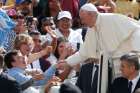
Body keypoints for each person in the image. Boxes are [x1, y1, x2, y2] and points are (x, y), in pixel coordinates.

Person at [58, 3, 140, 93]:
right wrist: (68, 62)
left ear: (91, 14)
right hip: (114, 64)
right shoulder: (92, 28)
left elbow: (134, 30)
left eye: (83, 18)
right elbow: (84, 52)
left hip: (129, 59)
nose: (82, 22)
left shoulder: (110, 19)